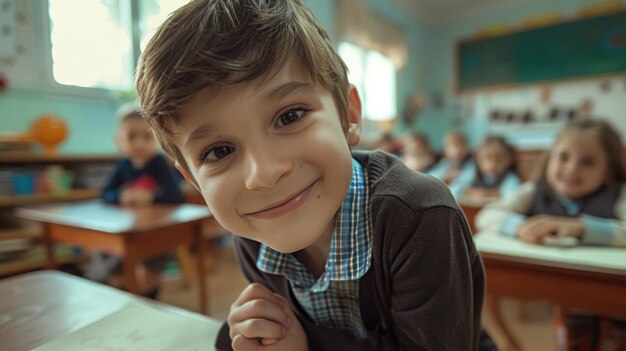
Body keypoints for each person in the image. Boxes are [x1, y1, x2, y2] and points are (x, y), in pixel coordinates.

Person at [135, 0, 489, 350]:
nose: (264, 175)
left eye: (290, 116)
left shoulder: (417, 216)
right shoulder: (256, 227)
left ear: (348, 116)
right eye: (219, 151)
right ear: (192, 179)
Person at [475, 119, 626, 351]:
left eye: (588, 162)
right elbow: (487, 215)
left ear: (608, 171)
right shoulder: (534, 190)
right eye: (563, 157)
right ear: (549, 160)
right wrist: (519, 227)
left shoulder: (618, 195)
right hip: (568, 300)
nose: (571, 168)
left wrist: (582, 227)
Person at [86, 107, 185, 298]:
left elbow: (175, 196)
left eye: (146, 137)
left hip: (157, 232)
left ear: (157, 139)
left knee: (146, 277)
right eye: (131, 137)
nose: (139, 144)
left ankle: (148, 296)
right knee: (108, 255)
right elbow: (105, 193)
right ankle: (108, 285)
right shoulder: (123, 164)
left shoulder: (159, 163)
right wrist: (121, 196)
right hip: (128, 231)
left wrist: (151, 198)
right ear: (119, 140)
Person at [451, 135, 520, 200]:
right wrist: (468, 191)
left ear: (510, 159)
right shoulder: (471, 172)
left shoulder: (510, 178)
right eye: (487, 158)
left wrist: (489, 194)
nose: (493, 164)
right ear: (478, 159)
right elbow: (454, 189)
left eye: (499, 159)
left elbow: (512, 197)